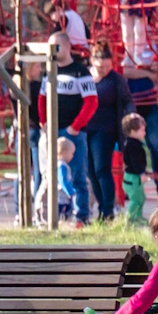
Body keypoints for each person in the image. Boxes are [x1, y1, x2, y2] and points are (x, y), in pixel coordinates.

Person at [49, 34, 99, 224]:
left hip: (74, 133)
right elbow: (42, 98)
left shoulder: (80, 72)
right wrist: (44, 122)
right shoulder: (49, 70)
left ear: (67, 46)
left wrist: (75, 127)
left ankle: (81, 216)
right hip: (53, 131)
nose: (52, 52)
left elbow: (91, 102)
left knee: (78, 175)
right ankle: (57, 214)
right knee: (53, 175)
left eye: (56, 47)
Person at [85, 42, 134, 222]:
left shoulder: (116, 80)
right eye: (101, 67)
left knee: (102, 169)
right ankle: (102, 206)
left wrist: (131, 115)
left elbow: (127, 100)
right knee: (90, 172)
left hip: (105, 130)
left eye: (108, 66)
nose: (105, 70)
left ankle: (107, 210)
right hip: (84, 128)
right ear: (92, 61)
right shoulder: (84, 77)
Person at [122, 45, 158, 175]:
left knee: (156, 144)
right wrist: (147, 73)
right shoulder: (127, 45)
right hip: (131, 104)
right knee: (130, 144)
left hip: (150, 102)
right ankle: (133, 179)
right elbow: (123, 70)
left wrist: (152, 66)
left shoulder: (152, 45)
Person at [120, 112, 149, 223]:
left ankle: (138, 217)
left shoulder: (135, 143)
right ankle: (130, 219)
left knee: (141, 198)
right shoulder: (133, 145)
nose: (144, 133)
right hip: (133, 178)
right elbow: (136, 162)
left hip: (135, 177)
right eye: (142, 130)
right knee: (136, 199)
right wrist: (142, 173)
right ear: (133, 131)